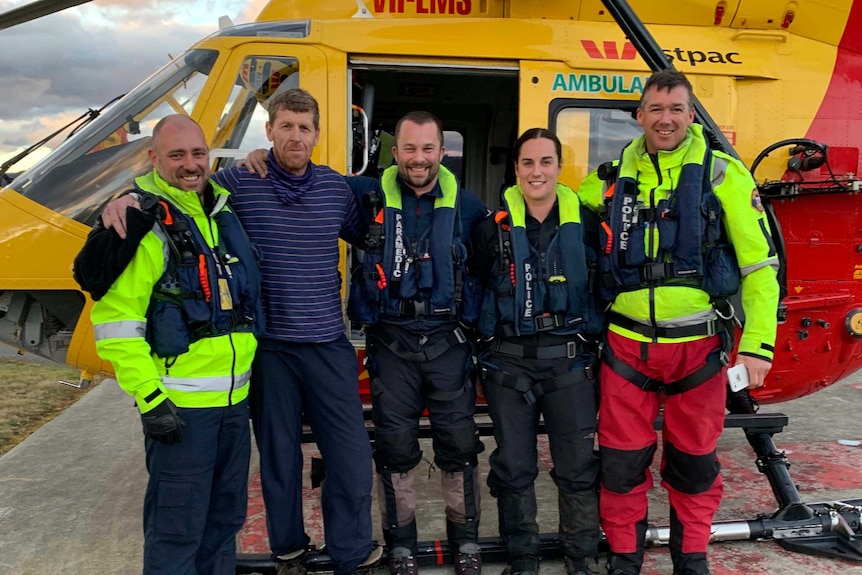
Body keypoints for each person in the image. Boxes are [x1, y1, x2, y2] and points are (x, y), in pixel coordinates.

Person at [100, 89, 381, 575]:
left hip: (327, 344)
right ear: (269, 130)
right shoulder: (237, 182)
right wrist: (124, 198)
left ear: (317, 135)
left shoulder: (336, 189)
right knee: (278, 461)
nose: (296, 136)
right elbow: (180, 187)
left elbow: (373, 227)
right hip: (269, 349)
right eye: (286, 126)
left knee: (352, 458)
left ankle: (351, 550)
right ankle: (289, 548)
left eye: (305, 127)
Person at [577, 69, 780, 575]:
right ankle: (625, 558)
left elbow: (760, 267)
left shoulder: (723, 176)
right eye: (656, 110)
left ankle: (691, 559)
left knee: (694, 465)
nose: (665, 120)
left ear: (690, 116)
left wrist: (758, 346)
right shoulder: (606, 182)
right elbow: (552, 213)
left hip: (698, 350)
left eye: (676, 110)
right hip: (626, 348)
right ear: (640, 115)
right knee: (621, 466)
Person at [85, 114, 264, 574]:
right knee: (176, 532)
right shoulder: (143, 225)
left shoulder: (220, 215)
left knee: (224, 523)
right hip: (180, 413)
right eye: (177, 155)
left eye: (198, 154)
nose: (190, 165)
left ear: (210, 157)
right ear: (153, 159)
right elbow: (116, 324)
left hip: (233, 405)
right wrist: (150, 399)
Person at [348, 111, 489, 575]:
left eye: (428, 148)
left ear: (442, 153)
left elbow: (490, 270)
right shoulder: (364, 198)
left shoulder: (469, 208)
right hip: (391, 344)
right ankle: (401, 544)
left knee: (459, 445)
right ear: (395, 153)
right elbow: (302, 184)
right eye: (409, 148)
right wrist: (255, 161)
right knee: (394, 449)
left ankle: (466, 541)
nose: (419, 158)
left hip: (448, 344)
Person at [471, 128, 602, 575]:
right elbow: (475, 290)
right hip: (508, 364)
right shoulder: (491, 227)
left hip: (570, 361)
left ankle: (580, 560)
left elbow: (605, 289)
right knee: (512, 467)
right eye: (527, 163)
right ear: (516, 169)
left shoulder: (586, 223)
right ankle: (522, 560)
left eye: (545, 161)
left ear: (558, 166)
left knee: (579, 467)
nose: (537, 171)